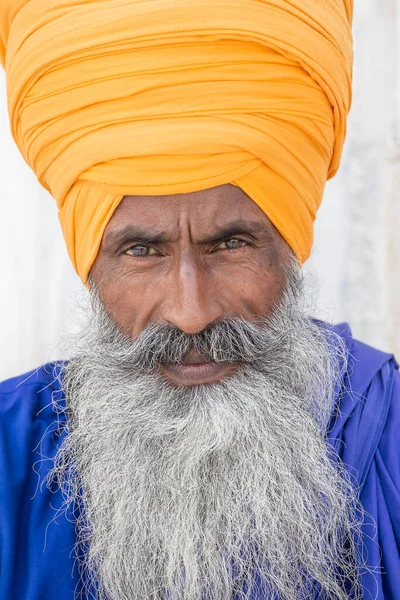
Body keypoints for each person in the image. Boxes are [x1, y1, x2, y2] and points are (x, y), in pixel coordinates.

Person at [0, 1, 399, 599]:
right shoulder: (10, 456)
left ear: (289, 247)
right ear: (89, 264)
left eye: (231, 243)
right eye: (141, 251)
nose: (191, 311)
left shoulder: (387, 435)